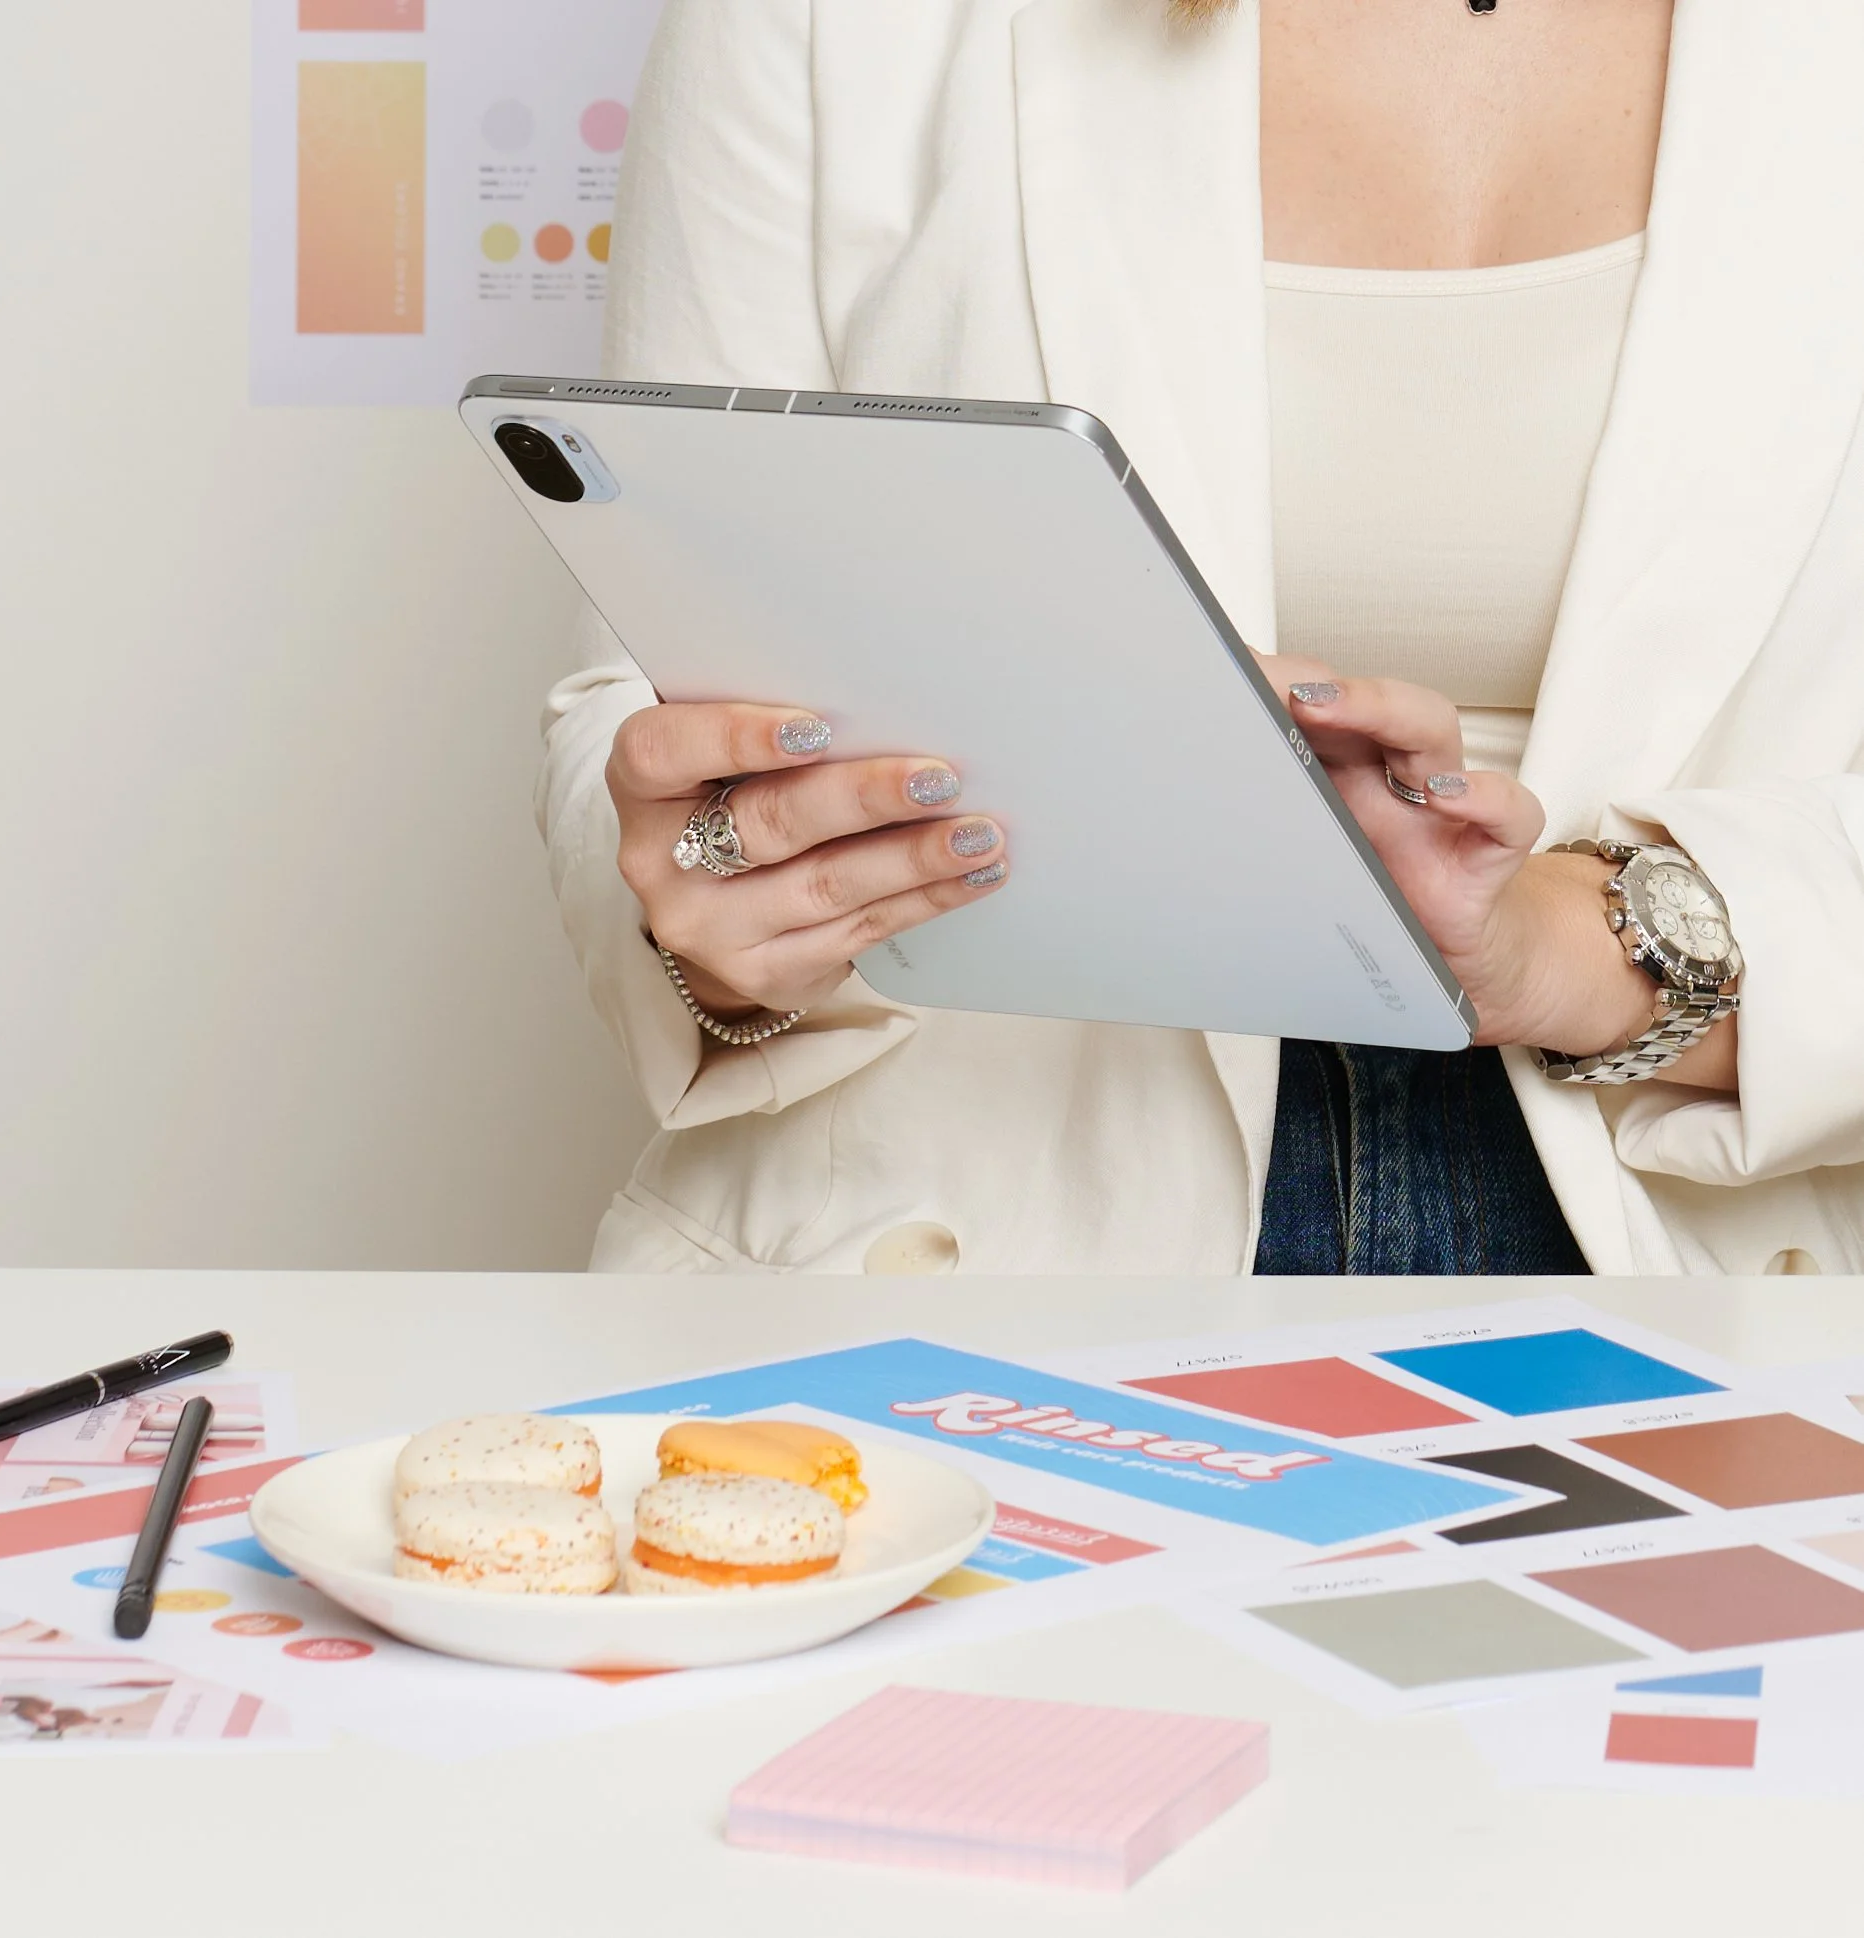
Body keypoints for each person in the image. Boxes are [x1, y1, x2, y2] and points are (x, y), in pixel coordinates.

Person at [535, 0, 1864, 1276]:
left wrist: (1588, 949)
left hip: (1707, 1242)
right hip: (965, 1230)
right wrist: (722, 908)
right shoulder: (827, 18)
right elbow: (654, 696)